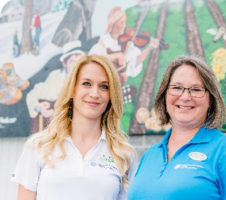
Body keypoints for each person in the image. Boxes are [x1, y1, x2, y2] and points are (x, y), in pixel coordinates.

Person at [127, 55, 226, 199]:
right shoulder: (150, 155)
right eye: (177, 88)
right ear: (165, 95)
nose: (185, 97)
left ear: (211, 99)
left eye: (196, 90)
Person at [11, 54, 137, 200]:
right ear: (72, 89)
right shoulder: (39, 146)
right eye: (86, 83)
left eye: (104, 86)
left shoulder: (124, 154)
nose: (94, 94)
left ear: (111, 96)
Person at [89, 7, 160, 86]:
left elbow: (136, 61)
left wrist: (149, 48)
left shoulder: (127, 45)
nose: (124, 25)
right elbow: (92, 61)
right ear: (112, 24)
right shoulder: (102, 43)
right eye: (121, 22)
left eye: (125, 22)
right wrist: (114, 56)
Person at [26, 40, 85, 133]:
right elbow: (33, 94)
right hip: (54, 132)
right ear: (64, 64)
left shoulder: (88, 80)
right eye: (72, 61)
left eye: (79, 62)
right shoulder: (55, 77)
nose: (76, 66)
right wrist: (39, 107)